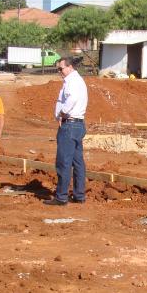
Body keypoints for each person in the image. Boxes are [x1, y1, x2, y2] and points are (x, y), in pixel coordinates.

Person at [44, 56, 88, 206]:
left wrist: (62, 113)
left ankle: (62, 196)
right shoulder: (76, 80)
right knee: (77, 162)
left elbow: (71, 100)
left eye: (61, 68)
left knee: (64, 162)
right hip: (78, 125)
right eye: (58, 69)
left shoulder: (73, 82)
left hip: (70, 125)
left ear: (69, 67)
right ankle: (79, 195)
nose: (59, 71)